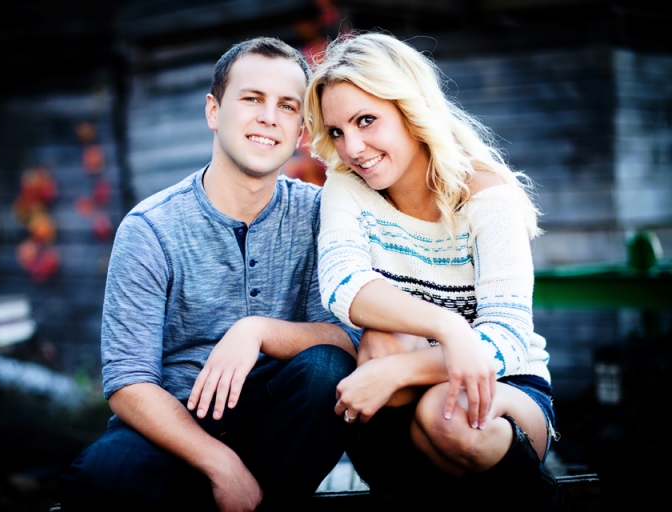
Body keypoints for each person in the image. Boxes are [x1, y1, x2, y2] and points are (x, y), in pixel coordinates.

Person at [57, 37, 359, 512]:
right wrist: (221, 463)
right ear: (214, 111)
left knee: (327, 370)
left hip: (277, 425)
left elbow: (346, 340)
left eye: (287, 106)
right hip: (175, 425)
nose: (269, 117)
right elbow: (128, 380)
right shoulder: (150, 228)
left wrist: (257, 331)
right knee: (103, 475)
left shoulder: (322, 215)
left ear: (300, 128)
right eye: (252, 99)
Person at [304, 32, 559, 509]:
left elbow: (506, 335)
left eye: (366, 121)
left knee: (444, 413)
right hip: (404, 405)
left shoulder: (486, 196)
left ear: (410, 110)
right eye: (337, 132)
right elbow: (342, 285)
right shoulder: (347, 186)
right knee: (380, 340)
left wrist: (399, 370)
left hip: (504, 391)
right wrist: (448, 328)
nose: (353, 147)